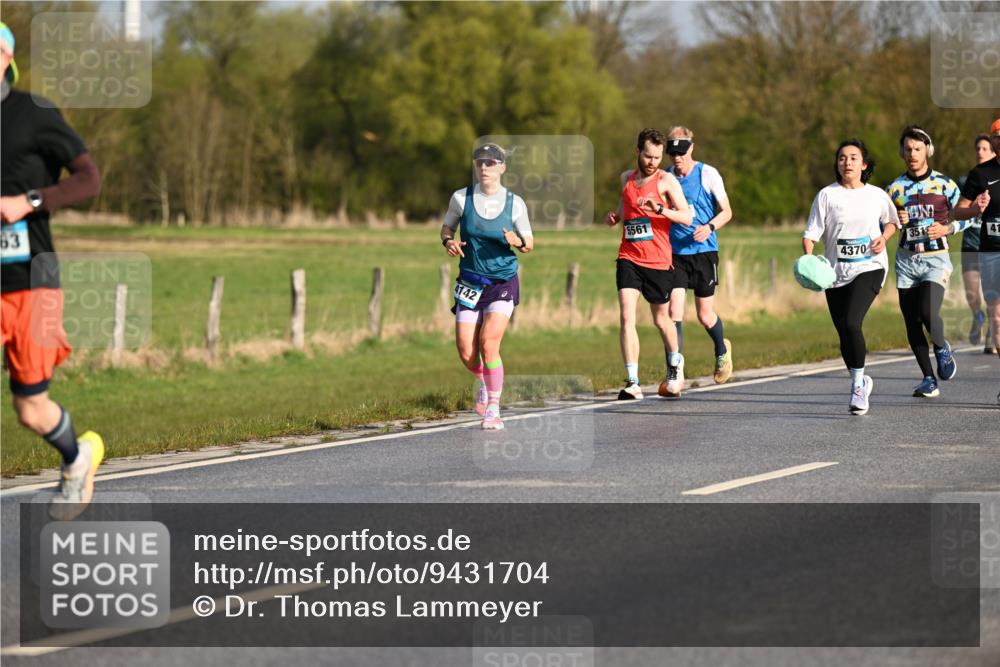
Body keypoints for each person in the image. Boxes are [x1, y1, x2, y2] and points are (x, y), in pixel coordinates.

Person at [1, 23, 104, 519]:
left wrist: (30, 201)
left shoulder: (33, 113)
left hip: (30, 284)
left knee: (30, 409)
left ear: (5, 57)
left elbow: (89, 179)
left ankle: (76, 457)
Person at [440, 143, 533, 430]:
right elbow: (447, 228)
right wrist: (449, 242)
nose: (484, 168)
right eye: (480, 162)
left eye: (491, 163)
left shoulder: (514, 203)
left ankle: (493, 406)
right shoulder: (461, 198)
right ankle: (483, 377)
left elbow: (529, 243)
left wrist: (515, 241)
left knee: (488, 342)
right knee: (466, 351)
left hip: (502, 281)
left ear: (502, 167)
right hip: (469, 281)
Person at [803, 139, 899, 415]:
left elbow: (892, 221)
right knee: (844, 331)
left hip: (870, 266)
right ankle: (860, 378)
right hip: (834, 273)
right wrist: (809, 258)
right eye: (842, 158)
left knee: (851, 321)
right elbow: (811, 233)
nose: (847, 162)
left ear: (864, 164)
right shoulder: (826, 196)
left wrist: (884, 237)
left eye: (854, 158)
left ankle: (858, 387)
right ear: (837, 163)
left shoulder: (876, 194)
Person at [886, 126, 975, 398]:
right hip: (906, 262)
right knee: (911, 321)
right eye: (908, 149)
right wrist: (893, 220)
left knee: (927, 311)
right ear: (902, 152)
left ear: (928, 151)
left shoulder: (945, 185)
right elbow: (880, 222)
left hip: (936, 260)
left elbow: (971, 215)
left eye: (918, 149)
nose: (913, 154)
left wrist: (947, 229)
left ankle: (942, 346)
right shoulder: (893, 189)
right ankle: (928, 378)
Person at [605, 128, 692, 400]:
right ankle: (633, 381)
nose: (652, 161)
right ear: (638, 152)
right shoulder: (626, 179)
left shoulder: (667, 182)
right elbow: (625, 203)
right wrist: (616, 217)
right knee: (627, 316)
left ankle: (675, 363)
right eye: (648, 156)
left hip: (658, 260)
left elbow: (687, 217)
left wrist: (660, 210)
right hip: (629, 257)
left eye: (657, 156)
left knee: (661, 320)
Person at [663, 126, 734, 384]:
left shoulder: (708, 174)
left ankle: (721, 350)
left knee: (704, 315)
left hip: (704, 251)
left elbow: (727, 211)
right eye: (672, 152)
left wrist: (710, 227)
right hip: (676, 253)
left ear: (691, 147)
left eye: (682, 151)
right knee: (673, 312)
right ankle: (676, 371)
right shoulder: (666, 176)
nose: (677, 157)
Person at [954, 118, 1000, 405]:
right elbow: (958, 212)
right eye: (997, 136)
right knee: (996, 316)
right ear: (993, 142)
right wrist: (974, 208)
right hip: (990, 251)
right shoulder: (979, 174)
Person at [960, 134, 996, 352]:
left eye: (985, 148)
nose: (980, 152)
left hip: (993, 246)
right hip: (971, 242)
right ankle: (977, 315)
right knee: (972, 291)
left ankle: (992, 334)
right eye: (978, 148)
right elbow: (957, 207)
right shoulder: (968, 180)